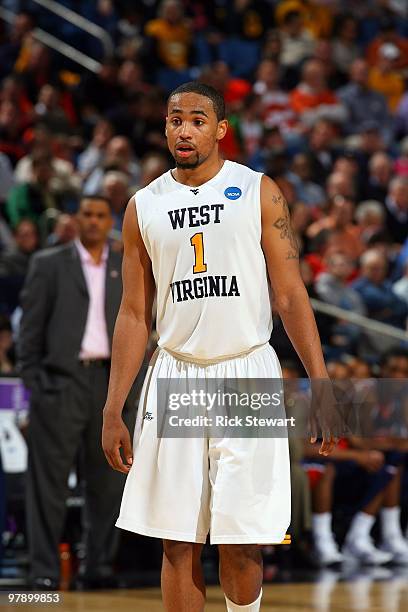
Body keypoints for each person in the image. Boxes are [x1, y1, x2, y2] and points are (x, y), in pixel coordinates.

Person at [102, 81, 337, 612]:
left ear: (221, 129)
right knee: (176, 537)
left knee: (241, 533)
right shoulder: (144, 205)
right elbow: (134, 313)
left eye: (198, 120)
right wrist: (114, 406)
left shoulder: (258, 189)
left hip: (246, 371)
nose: (184, 130)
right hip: (175, 373)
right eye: (175, 119)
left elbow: (290, 294)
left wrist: (320, 383)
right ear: (164, 127)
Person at [18, 195, 138, 590]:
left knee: (107, 483)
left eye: (101, 216)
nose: (93, 221)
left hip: (109, 385)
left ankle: (99, 568)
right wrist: (38, 383)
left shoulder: (128, 266)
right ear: (76, 219)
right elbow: (29, 334)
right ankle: (43, 571)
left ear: (110, 222)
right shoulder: (48, 264)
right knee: (47, 486)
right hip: (61, 382)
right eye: (86, 214)